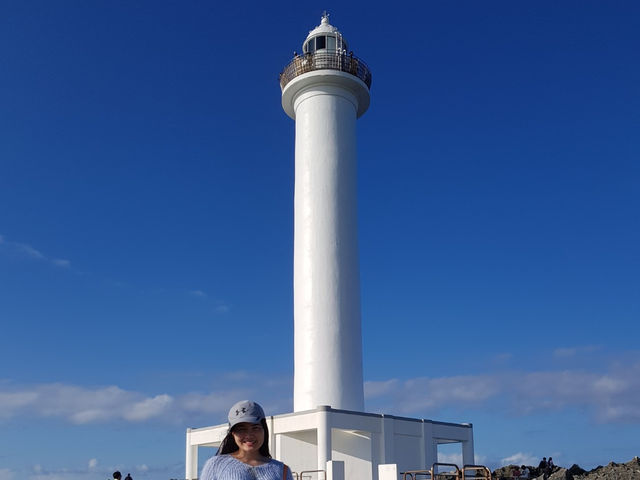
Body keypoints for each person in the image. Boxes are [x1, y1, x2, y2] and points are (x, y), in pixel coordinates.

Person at [200, 400, 293, 480]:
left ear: (264, 429)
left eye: (255, 428)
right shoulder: (215, 465)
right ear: (232, 433)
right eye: (241, 429)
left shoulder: (282, 470)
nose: (249, 435)